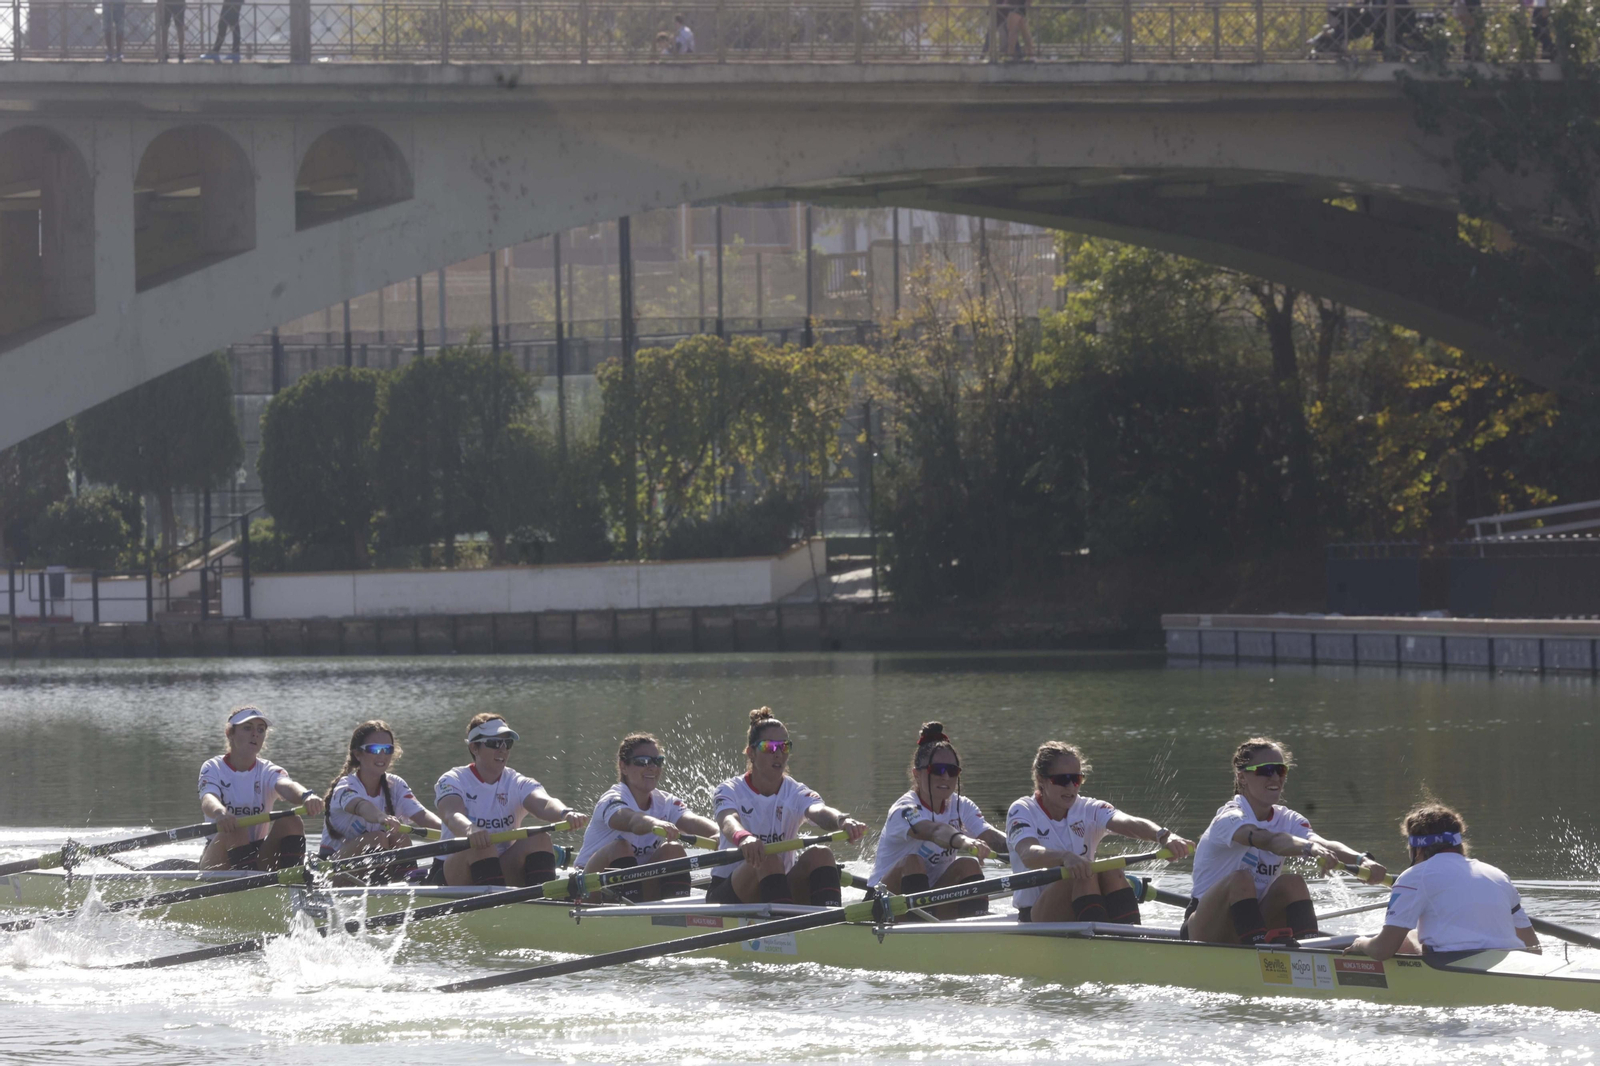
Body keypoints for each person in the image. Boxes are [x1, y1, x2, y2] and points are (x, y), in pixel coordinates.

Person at [1184, 737, 1385, 945]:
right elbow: (1268, 840)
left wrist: (1361, 859)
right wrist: (1308, 848)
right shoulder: (1230, 817)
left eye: (1280, 770)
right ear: (1242, 777)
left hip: (1252, 921)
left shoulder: (1288, 818)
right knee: (1241, 879)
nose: (1275, 778)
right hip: (1204, 927)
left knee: (1293, 882)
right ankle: (1257, 952)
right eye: (1265, 770)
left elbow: (1321, 842)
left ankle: (1311, 951)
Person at [1007, 741, 1193, 924]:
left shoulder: (1089, 808)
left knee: (1110, 868)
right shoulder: (1023, 809)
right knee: (1082, 873)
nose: (1071, 787)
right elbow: (1028, 853)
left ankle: (1130, 935)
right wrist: (1065, 857)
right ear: (1041, 780)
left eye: (1077, 779)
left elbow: (1128, 822)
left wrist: (1165, 836)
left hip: (1083, 899)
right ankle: (1101, 942)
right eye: (1062, 780)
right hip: (1036, 915)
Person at [706, 707, 867, 906]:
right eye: (769, 747)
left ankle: (830, 923)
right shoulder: (730, 789)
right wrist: (744, 837)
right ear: (751, 753)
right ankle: (784, 932)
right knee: (767, 858)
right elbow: (728, 820)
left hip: (776, 885)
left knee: (821, 854)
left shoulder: (795, 792)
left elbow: (818, 811)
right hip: (729, 894)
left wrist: (843, 820)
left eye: (785, 746)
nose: (778, 754)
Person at [1347, 801, 1540, 960]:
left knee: (1405, 936)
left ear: (1417, 848)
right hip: (1512, 962)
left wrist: (1361, 942)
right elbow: (1534, 948)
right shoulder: (1497, 875)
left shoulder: (1415, 876)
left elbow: (1382, 950)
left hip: (1453, 967)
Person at [868, 722, 1006, 919]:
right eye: (938, 770)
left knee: (968, 864)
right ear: (917, 774)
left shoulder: (962, 806)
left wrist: (1029, 846)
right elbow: (934, 831)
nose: (946, 777)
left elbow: (992, 837)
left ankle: (976, 930)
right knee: (912, 862)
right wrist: (965, 841)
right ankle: (917, 932)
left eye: (952, 771)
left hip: (931, 897)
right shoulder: (905, 809)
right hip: (882, 900)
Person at [434, 714, 588, 887]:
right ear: (474, 748)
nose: (503, 749)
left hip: (500, 867)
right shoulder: (453, 779)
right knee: (481, 847)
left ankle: (543, 902)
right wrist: (470, 829)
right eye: (494, 743)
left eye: (507, 743)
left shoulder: (516, 781)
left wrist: (565, 813)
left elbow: (544, 802)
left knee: (539, 838)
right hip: (452, 872)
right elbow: (451, 813)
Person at [574, 733, 719, 902]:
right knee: (621, 846)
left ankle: (674, 913)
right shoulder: (612, 799)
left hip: (637, 883)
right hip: (587, 885)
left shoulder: (665, 801)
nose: (652, 767)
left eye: (658, 761)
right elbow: (631, 820)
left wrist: (720, 833)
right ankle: (622, 913)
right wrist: (655, 823)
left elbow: (692, 821)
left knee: (673, 848)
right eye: (643, 761)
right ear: (623, 766)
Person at [197, 705, 324, 870]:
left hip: (258, 852)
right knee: (237, 828)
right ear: (230, 733)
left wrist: (306, 796)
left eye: (261, 729)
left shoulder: (267, 770)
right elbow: (208, 799)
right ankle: (249, 885)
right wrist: (220, 813)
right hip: (219, 854)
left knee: (291, 820)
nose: (255, 734)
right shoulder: (213, 767)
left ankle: (294, 882)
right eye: (247, 728)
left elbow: (287, 785)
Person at [318, 720, 442, 875]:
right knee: (377, 838)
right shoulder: (346, 785)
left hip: (366, 867)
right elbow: (361, 806)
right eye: (374, 749)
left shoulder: (396, 785)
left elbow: (422, 816)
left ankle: (404, 885)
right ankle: (383, 888)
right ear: (358, 754)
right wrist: (381, 817)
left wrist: (457, 830)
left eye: (387, 749)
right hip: (329, 870)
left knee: (399, 837)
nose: (382, 755)